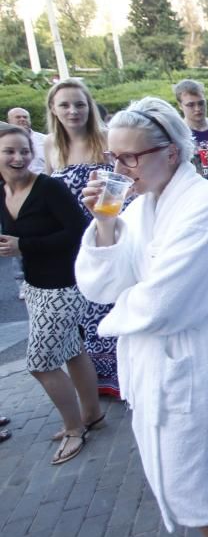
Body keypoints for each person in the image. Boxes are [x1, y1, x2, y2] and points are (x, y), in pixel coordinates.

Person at [74, 98, 208, 537]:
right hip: (155, 361)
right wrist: (105, 223)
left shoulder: (205, 208)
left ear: (170, 152)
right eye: (112, 157)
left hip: (192, 361)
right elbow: (100, 285)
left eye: (129, 157)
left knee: (192, 476)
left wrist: (113, 320)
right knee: (193, 473)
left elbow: (161, 305)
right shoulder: (140, 208)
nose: (118, 168)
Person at [0, 122, 101, 465]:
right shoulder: (3, 191)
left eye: (24, 150)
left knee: (40, 364)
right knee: (73, 348)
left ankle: (74, 429)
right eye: (10, 151)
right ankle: (92, 414)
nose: (19, 158)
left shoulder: (49, 188)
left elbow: (78, 233)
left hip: (64, 285)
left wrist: (22, 245)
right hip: (35, 285)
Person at [44, 79, 121, 398]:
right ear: (53, 109)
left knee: (110, 305)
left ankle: (124, 379)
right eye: (65, 105)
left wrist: (105, 224)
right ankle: (101, 383)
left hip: (105, 236)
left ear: (89, 107)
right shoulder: (50, 145)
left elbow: (121, 184)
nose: (73, 111)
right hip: (72, 245)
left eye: (79, 104)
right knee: (86, 314)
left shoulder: (104, 139)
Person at [6, 108, 46, 173]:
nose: (22, 119)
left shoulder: (45, 140)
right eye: (18, 117)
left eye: (25, 117)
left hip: (43, 180)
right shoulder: (3, 141)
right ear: (9, 121)